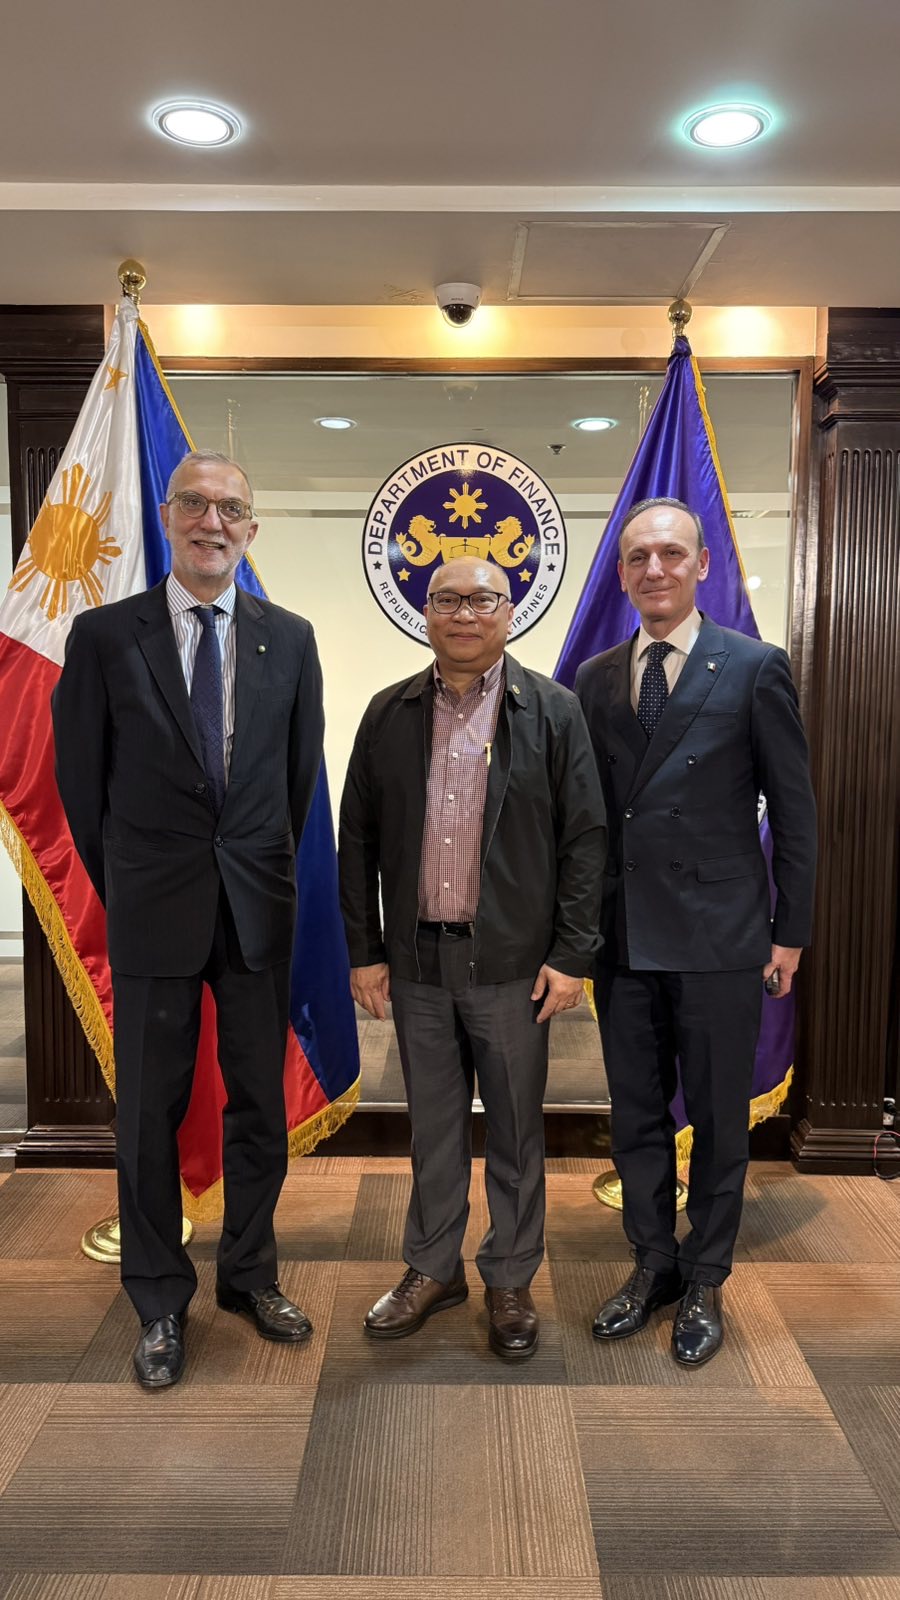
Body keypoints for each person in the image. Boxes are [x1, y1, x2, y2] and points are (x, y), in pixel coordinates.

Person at [52, 450, 324, 1389]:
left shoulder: (290, 639)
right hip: (153, 909)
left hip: (254, 910)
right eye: (197, 505)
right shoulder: (103, 636)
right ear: (169, 516)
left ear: (252, 529)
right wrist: (130, 882)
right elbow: (80, 786)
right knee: (147, 1115)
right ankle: (159, 1298)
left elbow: (295, 786)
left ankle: (249, 1276)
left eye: (232, 509)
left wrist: (255, 868)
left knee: (258, 1105)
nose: (214, 522)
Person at [339, 556, 605, 1359]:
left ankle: (511, 1278)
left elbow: (586, 840)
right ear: (425, 613)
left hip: (514, 969)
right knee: (434, 1129)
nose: (464, 613)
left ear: (509, 611)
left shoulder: (553, 710)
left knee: (518, 1132)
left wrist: (572, 953)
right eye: (447, 599)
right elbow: (356, 843)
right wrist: (364, 950)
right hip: (418, 964)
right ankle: (432, 1268)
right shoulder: (389, 712)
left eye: (482, 599)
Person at [574, 497, 816, 1366]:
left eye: (672, 554)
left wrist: (789, 932)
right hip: (625, 936)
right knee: (636, 1115)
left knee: (716, 1120)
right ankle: (653, 1264)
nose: (655, 570)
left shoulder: (754, 667)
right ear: (621, 573)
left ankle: (706, 1275)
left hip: (721, 936)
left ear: (703, 565)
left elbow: (795, 812)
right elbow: (586, 818)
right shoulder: (596, 677)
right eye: (639, 557)